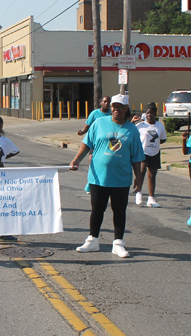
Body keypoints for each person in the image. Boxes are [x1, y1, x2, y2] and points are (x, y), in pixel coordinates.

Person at [70, 94, 144, 258]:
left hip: (121, 179)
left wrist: (139, 178)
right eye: (114, 106)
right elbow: (86, 143)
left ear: (126, 109)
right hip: (98, 177)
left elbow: (137, 156)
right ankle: (93, 240)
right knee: (97, 210)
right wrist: (76, 160)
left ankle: (118, 243)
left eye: (120, 107)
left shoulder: (132, 130)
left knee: (119, 211)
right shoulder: (99, 123)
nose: (115, 109)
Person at [0, 113, 20, 242]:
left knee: (1, 202)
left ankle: (2, 231)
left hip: (0, 172)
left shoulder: (4, 141)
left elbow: (15, 151)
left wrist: (2, 158)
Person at [134, 103, 166, 207]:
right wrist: (132, 122)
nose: (149, 115)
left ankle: (151, 198)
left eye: (152, 113)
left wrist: (154, 144)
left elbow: (163, 139)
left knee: (152, 175)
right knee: (142, 172)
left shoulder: (159, 126)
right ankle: (139, 192)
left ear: (155, 114)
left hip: (155, 153)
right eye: (148, 113)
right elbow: (131, 133)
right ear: (145, 114)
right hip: (143, 152)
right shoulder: (140, 125)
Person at [77, 96, 111, 193]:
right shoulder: (95, 113)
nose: (106, 103)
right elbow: (87, 125)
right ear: (101, 103)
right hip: (94, 142)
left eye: (108, 102)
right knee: (92, 163)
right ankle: (90, 184)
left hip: (107, 144)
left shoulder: (111, 114)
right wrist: (82, 132)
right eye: (104, 101)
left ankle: (105, 184)